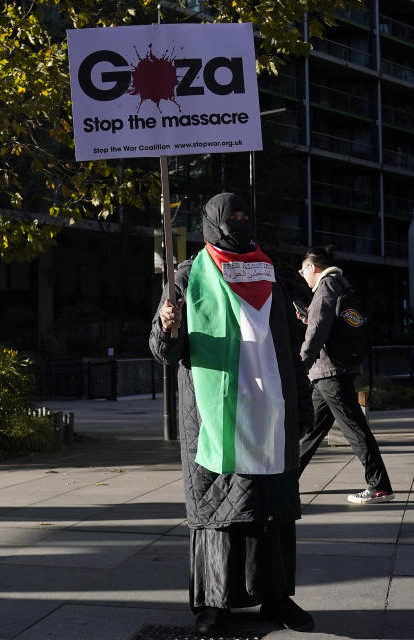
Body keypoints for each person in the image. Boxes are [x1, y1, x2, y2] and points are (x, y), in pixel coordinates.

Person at [149, 193, 314, 634]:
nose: (239, 222)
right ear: (210, 223)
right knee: (219, 509)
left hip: (272, 411)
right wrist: (168, 326)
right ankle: (214, 606)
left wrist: (303, 404)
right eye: (230, 217)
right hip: (215, 414)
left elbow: (289, 349)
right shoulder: (187, 276)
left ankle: (277, 600)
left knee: (272, 509)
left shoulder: (271, 273)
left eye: (244, 215)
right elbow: (165, 351)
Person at [294, 246, 395, 505]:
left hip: (330, 372)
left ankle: (380, 486)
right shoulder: (341, 285)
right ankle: (286, 480)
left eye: (303, 268)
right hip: (334, 370)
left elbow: (317, 331)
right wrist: (309, 318)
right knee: (313, 430)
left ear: (313, 268)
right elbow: (329, 324)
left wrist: (300, 365)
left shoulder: (326, 287)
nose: (302, 273)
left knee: (354, 428)